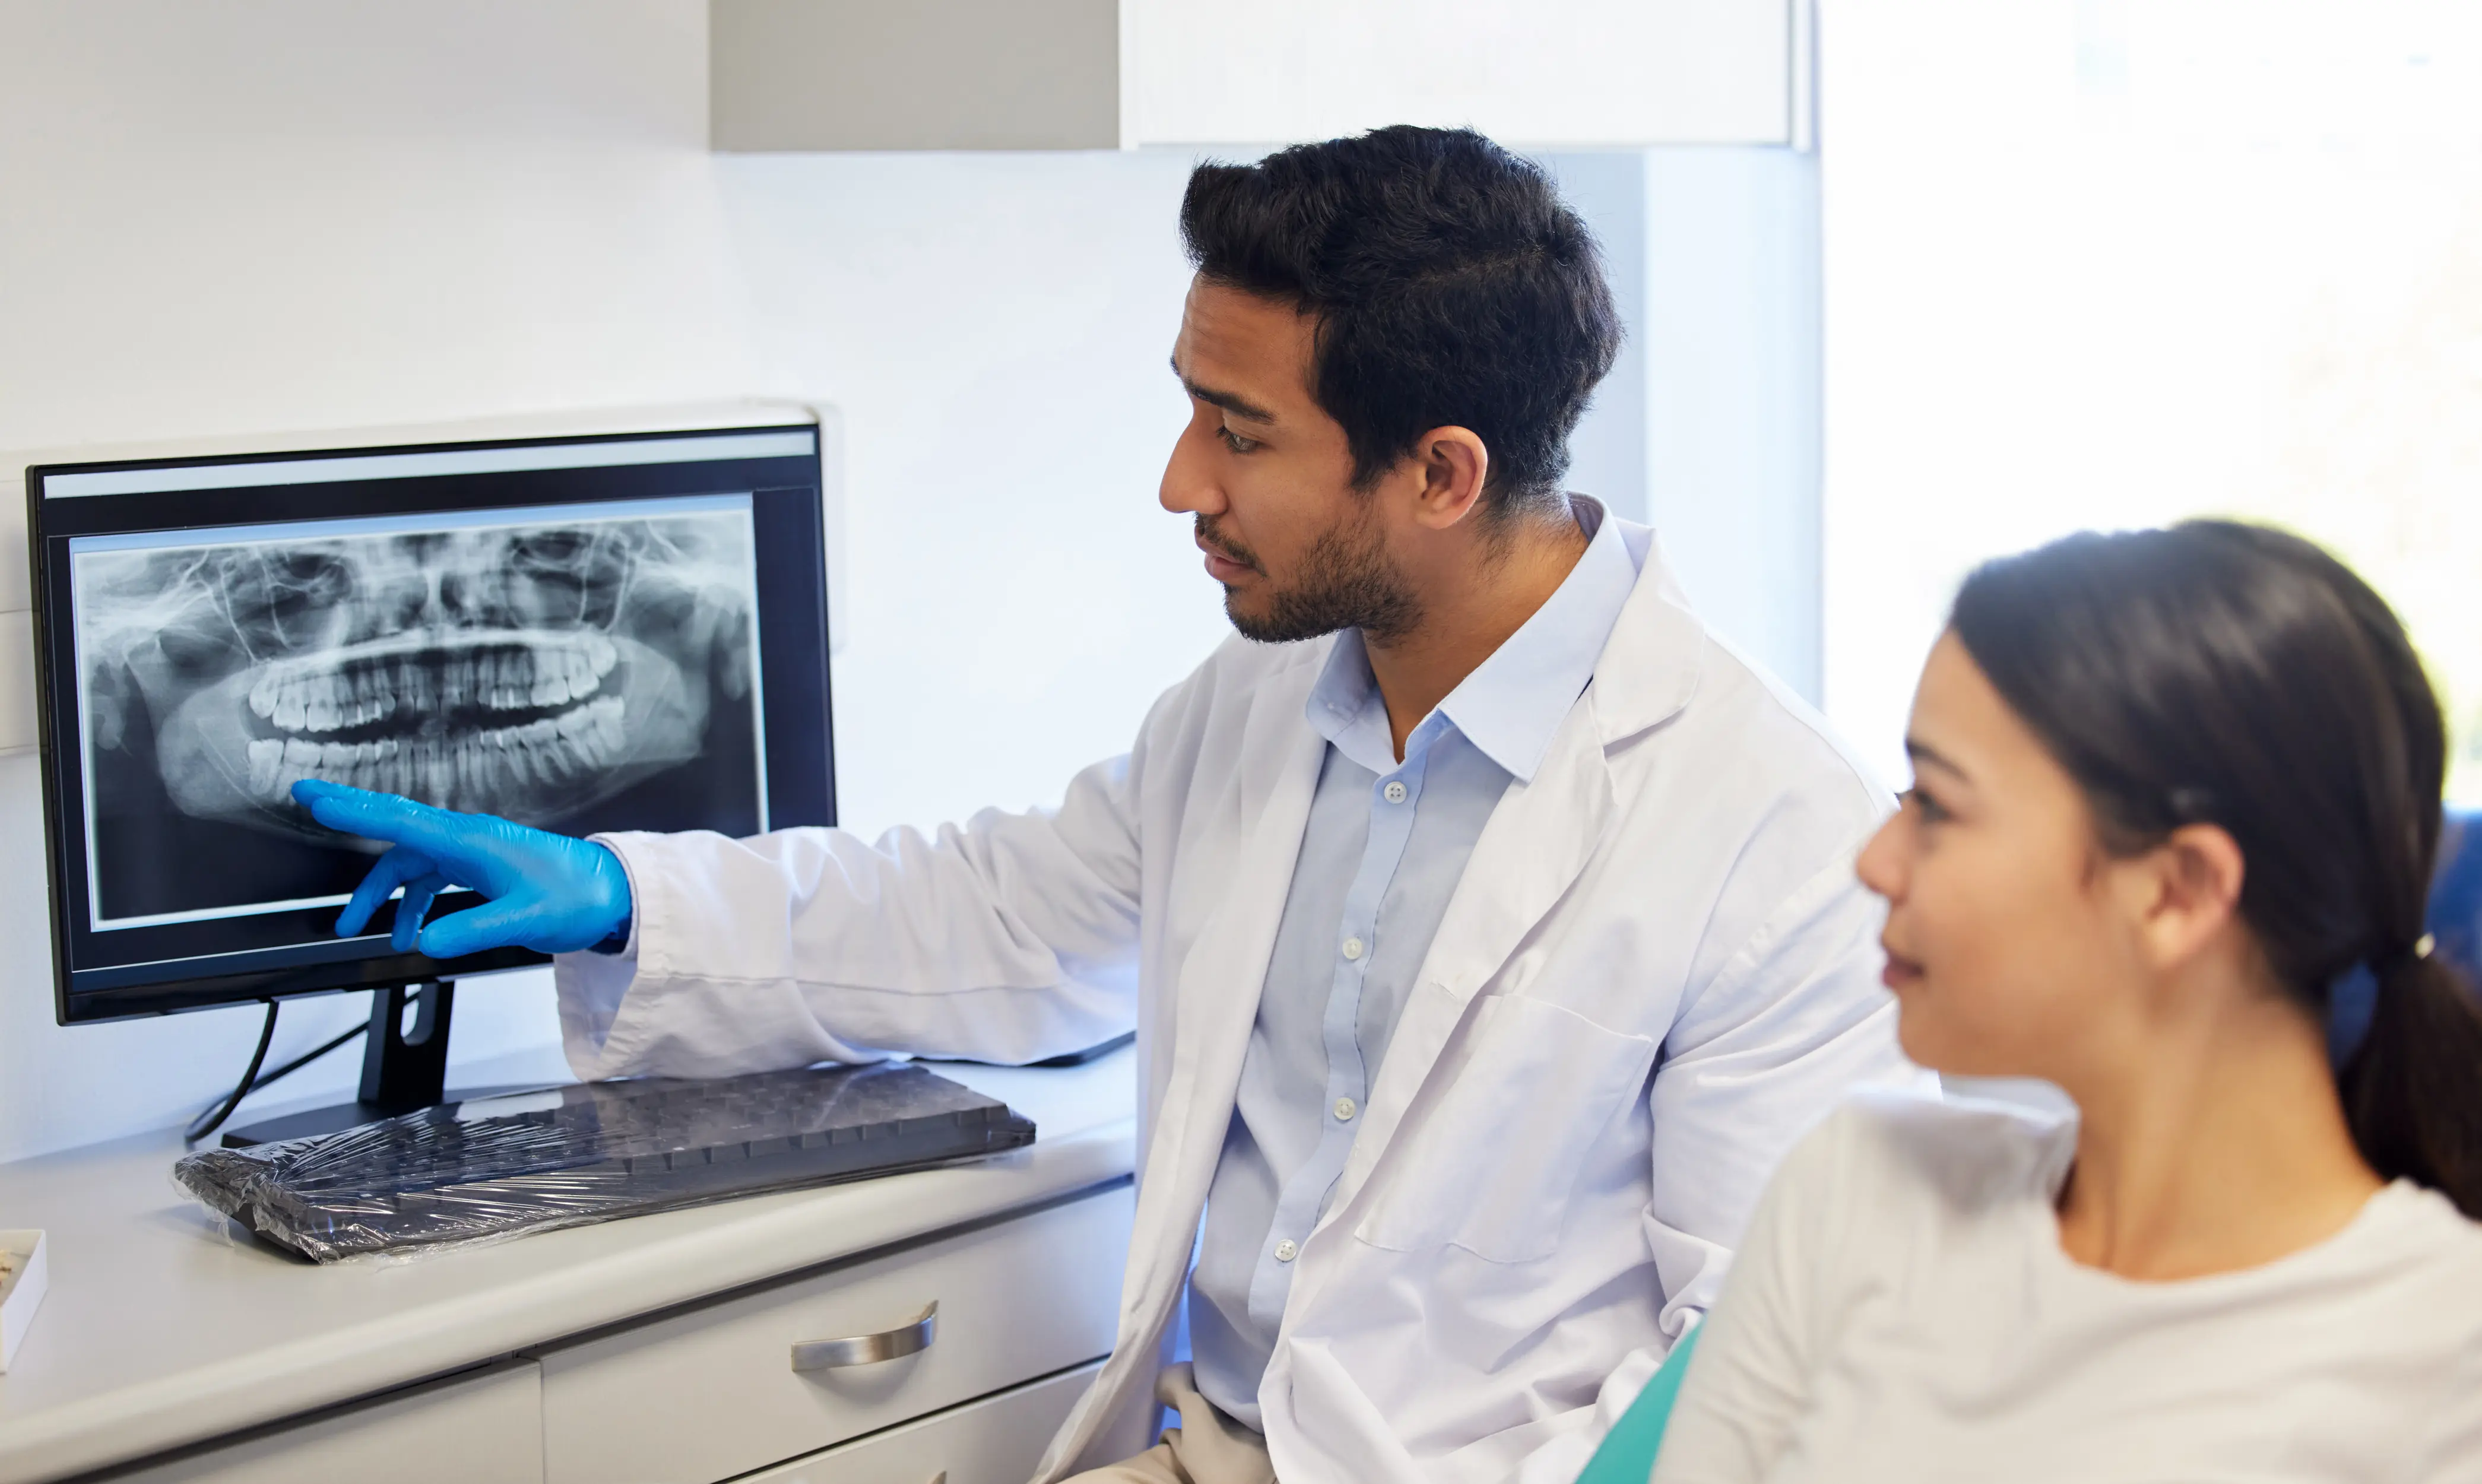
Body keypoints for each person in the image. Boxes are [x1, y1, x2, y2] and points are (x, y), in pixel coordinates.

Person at [292, 126, 1923, 1484]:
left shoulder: (1775, 830)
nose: (1178, 482)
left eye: (1239, 432)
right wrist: (626, 897)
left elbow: (1749, 1373)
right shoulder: (1260, 704)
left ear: (1438, 473)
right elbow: (1003, 917)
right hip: (1208, 1448)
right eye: (1190, 406)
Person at [1649, 521, 2482, 1483]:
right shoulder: (1854, 1188)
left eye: (1938, 806)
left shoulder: (2441, 1360)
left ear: (2175, 892)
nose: (1874, 861)